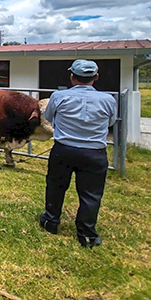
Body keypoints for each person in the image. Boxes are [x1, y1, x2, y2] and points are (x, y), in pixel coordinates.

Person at [39, 59, 117, 248]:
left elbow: (48, 117)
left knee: (56, 186)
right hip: (95, 152)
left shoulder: (58, 96)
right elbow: (110, 122)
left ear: (72, 77)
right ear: (95, 77)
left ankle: (51, 222)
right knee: (91, 194)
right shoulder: (108, 100)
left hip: (63, 149)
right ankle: (87, 233)